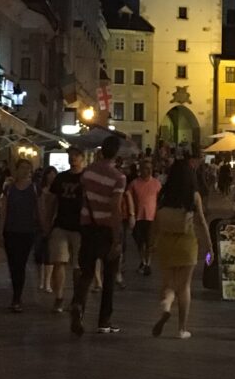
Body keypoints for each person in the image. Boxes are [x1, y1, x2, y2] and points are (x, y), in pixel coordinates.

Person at [151, 158, 213, 340]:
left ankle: (166, 306)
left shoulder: (163, 193)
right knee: (184, 286)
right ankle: (181, 329)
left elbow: (155, 221)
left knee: (169, 283)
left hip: (165, 242)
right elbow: (201, 222)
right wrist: (209, 246)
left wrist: (151, 243)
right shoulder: (193, 195)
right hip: (187, 243)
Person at [70, 133, 125, 336]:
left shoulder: (87, 173)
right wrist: (117, 238)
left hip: (87, 226)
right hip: (106, 229)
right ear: (117, 154)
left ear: (101, 150)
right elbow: (115, 207)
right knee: (109, 276)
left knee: (86, 272)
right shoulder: (118, 177)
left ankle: (78, 304)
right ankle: (104, 321)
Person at [0, 159, 40, 312]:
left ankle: (17, 297)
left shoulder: (34, 188)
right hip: (11, 230)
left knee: (20, 264)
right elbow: (4, 210)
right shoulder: (9, 188)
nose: (25, 171)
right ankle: (16, 296)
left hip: (27, 231)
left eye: (28, 168)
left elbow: (38, 209)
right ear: (16, 169)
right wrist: (0, 230)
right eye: (22, 168)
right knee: (13, 263)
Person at [47, 147, 85, 313]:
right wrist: (48, 222)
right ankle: (59, 297)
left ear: (82, 158)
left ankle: (76, 298)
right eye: (70, 156)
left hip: (80, 226)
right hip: (61, 224)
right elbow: (53, 200)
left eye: (75, 156)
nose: (72, 159)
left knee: (78, 265)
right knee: (59, 262)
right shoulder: (61, 178)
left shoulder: (86, 178)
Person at [129, 158, 162, 276]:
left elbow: (160, 200)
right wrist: (131, 214)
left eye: (150, 169)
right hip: (138, 217)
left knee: (149, 243)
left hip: (151, 217)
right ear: (140, 169)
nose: (148, 171)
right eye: (145, 168)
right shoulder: (134, 184)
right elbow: (129, 199)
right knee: (139, 242)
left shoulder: (157, 184)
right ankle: (142, 261)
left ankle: (147, 263)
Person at [34, 165, 57, 294]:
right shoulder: (39, 190)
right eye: (50, 174)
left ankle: (47, 282)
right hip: (39, 225)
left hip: (52, 226)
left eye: (54, 174)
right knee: (38, 253)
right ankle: (41, 280)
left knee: (49, 254)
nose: (51, 176)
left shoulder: (57, 192)